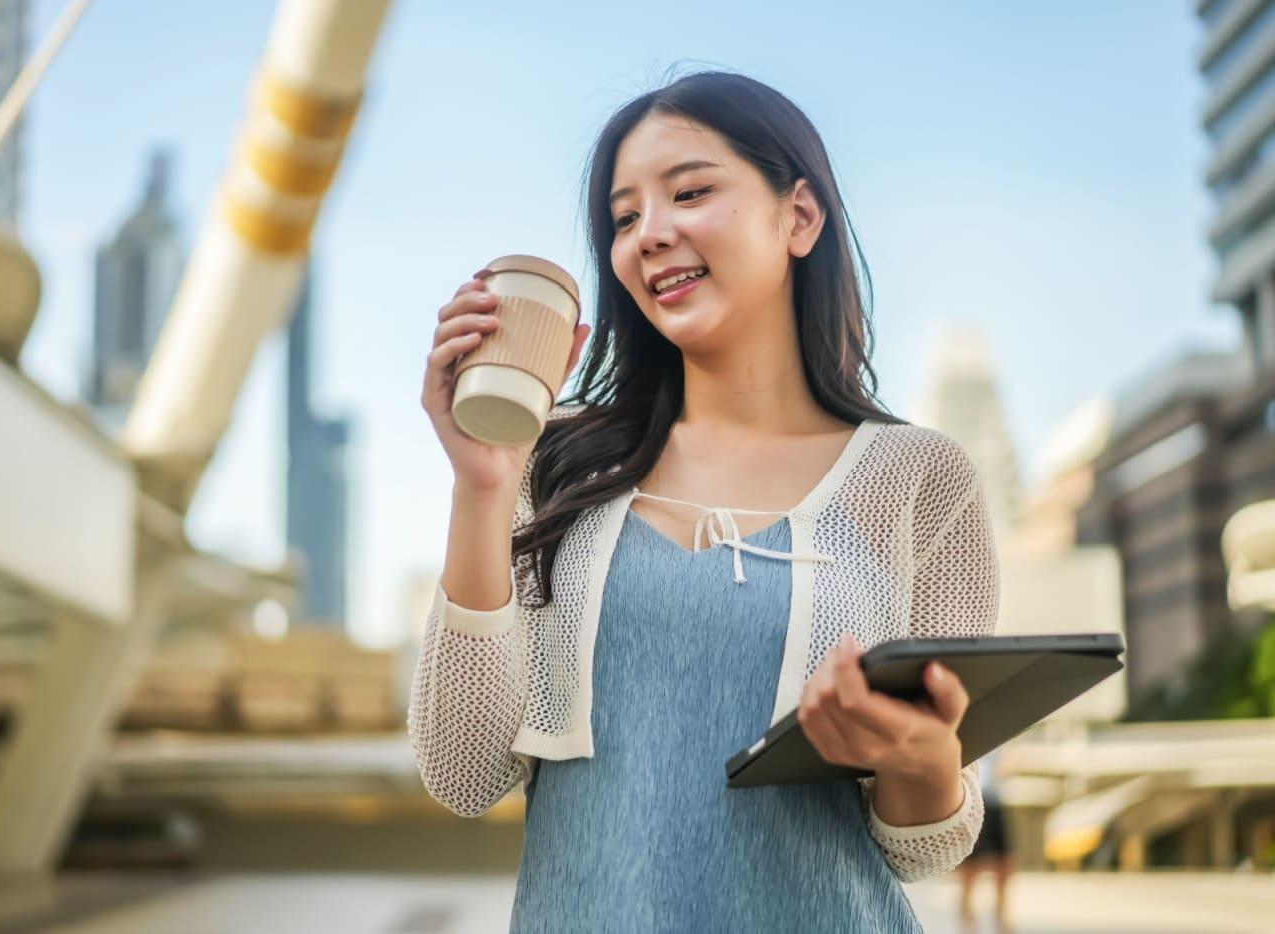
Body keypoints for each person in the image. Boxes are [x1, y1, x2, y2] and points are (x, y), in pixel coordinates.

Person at [410, 70, 1001, 932]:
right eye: (622, 217)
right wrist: (483, 486)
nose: (649, 235)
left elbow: (926, 846)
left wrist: (923, 755)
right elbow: (463, 772)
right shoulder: (555, 463)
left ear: (799, 217)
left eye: (689, 192)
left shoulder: (920, 479)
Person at [958, 748, 1014, 932]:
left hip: (996, 801)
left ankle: (1002, 923)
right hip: (975, 801)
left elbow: (1010, 762)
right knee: (971, 871)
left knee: (1005, 866)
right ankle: (968, 928)